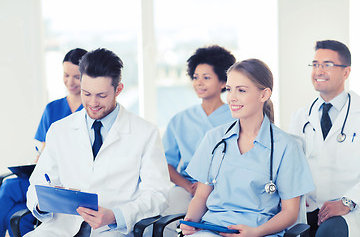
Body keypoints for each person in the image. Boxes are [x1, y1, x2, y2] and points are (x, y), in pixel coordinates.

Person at [25, 48, 170, 236]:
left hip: (112, 229)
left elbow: (158, 195)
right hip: (62, 227)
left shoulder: (145, 132)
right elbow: (37, 184)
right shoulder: (59, 130)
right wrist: (41, 202)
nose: (93, 103)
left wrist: (115, 216)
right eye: (86, 94)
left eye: (101, 95)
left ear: (118, 89)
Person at [181, 59, 315, 237]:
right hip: (212, 230)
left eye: (241, 90)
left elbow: (290, 213)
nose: (232, 97)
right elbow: (201, 197)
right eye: (229, 89)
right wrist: (190, 221)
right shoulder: (214, 139)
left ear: (264, 95)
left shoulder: (286, 147)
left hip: (260, 233)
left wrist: (256, 232)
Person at [0, 48, 87, 237]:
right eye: (66, 75)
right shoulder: (52, 108)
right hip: (45, 176)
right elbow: (43, 151)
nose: (70, 82)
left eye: (76, 77)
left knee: (13, 212)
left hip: (70, 180)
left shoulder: (91, 112)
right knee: (8, 186)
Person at [288, 40, 360, 237]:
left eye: (327, 65)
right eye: (315, 64)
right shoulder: (300, 117)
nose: (318, 71)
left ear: (346, 72)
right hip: (308, 208)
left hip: (351, 210)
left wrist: (348, 201)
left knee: (330, 233)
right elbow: (290, 166)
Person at [162, 45, 235, 235]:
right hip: (188, 188)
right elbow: (165, 164)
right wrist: (188, 186)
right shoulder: (180, 120)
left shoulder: (237, 117)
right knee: (170, 217)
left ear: (222, 82)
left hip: (226, 188)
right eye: (195, 77)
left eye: (206, 77)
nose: (199, 83)